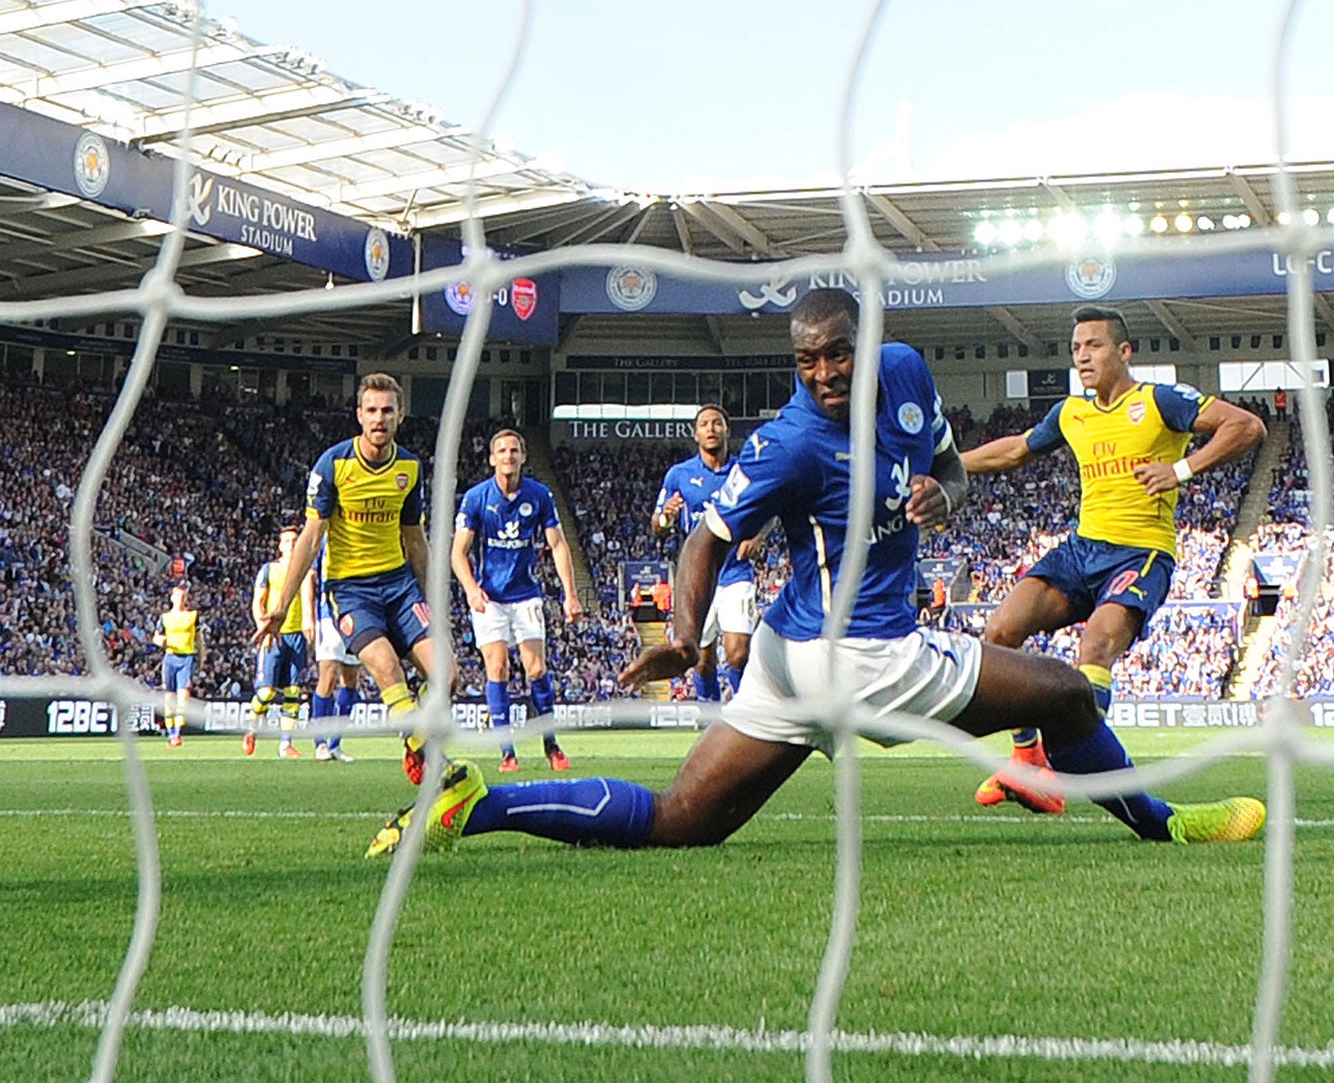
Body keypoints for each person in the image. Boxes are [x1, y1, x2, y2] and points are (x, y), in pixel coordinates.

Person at [368, 289, 1264, 858]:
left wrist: (944, 496)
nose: (826, 373)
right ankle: (1167, 824)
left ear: (869, 341)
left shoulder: (908, 377)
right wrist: (683, 633)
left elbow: (950, 467)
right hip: (863, 656)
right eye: (807, 361)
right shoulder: (791, 443)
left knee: (684, 819)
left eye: (838, 353)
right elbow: (704, 541)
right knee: (1066, 693)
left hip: (790, 661)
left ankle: (473, 808)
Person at [958, 305, 1264, 811]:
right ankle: (1029, 761)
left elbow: (1246, 426)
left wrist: (1182, 469)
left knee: (1095, 646)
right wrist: (943, 464)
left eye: (1094, 345)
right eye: (1077, 347)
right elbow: (1015, 451)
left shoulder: (1160, 401)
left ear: (1124, 352)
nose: (1083, 356)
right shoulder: (1071, 414)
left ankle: (1080, 769)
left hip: (1140, 553)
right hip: (1081, 550)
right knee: (1000, 633)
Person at [253, 373, 435, 784]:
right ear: (359, 415)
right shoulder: (333, 465)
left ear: (400, 415)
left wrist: (433, 597)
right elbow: (311, 537)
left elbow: (415, 538)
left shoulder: (409, 466)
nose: (379, 418)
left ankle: (417, 732)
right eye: (371, 410)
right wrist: (281, 605)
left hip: (400, 585)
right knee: (387, 668)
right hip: (351, 590)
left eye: (388, 410)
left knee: (449, 676)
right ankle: (423, 752)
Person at [451, 427, 580, 772]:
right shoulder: (477, 497)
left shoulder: (539, 495)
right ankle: (507, 752)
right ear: (492, 459)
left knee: (536, 668)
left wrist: (570, 595)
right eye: (502, 451)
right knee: (498, 668)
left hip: (526, 595)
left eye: (514, 450)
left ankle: (551, 745)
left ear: (523, 457)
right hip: (489, 597)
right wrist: (470, 589)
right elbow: (458, 553)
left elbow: (557, 545)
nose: (508, 456)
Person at [654, 404, 762, 704]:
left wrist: (757, 535)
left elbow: (770, 510)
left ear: (727, 430)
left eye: (717, 423)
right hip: (698, 576)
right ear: (695, 433)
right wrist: (666, 516)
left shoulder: (744, 472)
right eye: (704, 424)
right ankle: (710, 722)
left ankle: (746, 718)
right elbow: (658, 525)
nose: (711, 428)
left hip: (735, 571)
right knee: (702, 659)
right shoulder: (679, 475)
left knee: (737, 651)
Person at [245, 528, 313, 758]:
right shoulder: (269, 570)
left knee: (293, 692)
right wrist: (262, 627)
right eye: (287, 541)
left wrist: (309, 625)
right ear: (280, 546)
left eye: (295, 540)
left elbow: (307, 598)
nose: (292, 544)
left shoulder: (305, 570)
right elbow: (258, 601)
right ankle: (252, 728)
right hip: (274, 635)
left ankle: (286, 744)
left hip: (296, 637)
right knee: (266, 693)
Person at [307, 547, 359, 762]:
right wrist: (308, 617)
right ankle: (320, 743)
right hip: (329, 614)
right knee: (327, 676)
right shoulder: (324, 538)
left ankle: (336, 744)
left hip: (359, 614)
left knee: (351, 679)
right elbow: (309, 578)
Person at [153, 582, 201, 748]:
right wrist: (161, 641)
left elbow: (199, 639)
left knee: (183, 698)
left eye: (183, 597)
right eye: (178, 596)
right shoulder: (165, 618)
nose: (180, 599)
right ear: (172, 598)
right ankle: (171, 732)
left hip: (187, 658)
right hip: (170, 658)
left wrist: (202, 656)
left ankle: (177, 734)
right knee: (169, 699)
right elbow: (156, 637)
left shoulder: (192, 616)